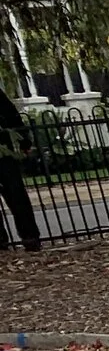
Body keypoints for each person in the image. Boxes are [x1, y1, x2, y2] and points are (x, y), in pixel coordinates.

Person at [0, 93, 40, 251]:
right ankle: (28, 237)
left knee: (16, 194)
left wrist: (24, 140)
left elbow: (11, 115)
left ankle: (29, 237)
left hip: (5, 153)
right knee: (16, 194)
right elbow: (12, 115)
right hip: (5, 153)